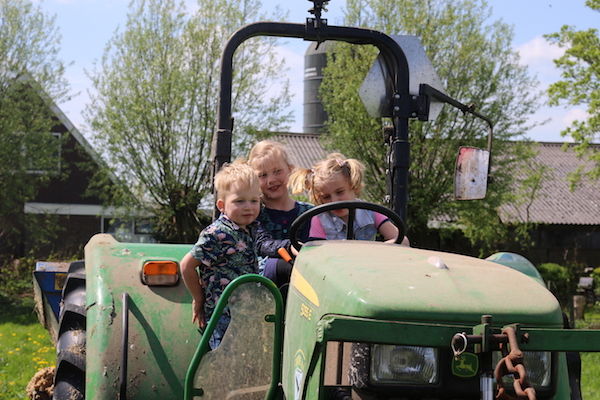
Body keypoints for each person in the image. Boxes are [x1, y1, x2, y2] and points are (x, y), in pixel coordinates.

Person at [180, 160, 286, 349]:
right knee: (225, 360)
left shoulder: (251, 228)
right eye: (239, 201)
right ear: (222, 205)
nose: (248, 207)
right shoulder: (216, 234)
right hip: (222, 316)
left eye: (254, 201)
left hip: (246, 311)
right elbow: (186, 266)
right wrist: (198, 298)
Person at [289, 153, 406, 244]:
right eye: (326, 197)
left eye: (340, 192)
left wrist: (377, 251)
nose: (334, 201)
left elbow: (402, 240)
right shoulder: (319, 219)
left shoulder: (371, 212)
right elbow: (316, 254)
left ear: (353, 186)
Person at [248, 140, 313, 287]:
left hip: (305, 269)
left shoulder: (309, 212)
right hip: (263, 275)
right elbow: (261, 244)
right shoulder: (253, 212)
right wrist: (291, 247)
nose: (271, 180)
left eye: (277, 171)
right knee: (288, 268)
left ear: (290, 169)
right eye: (263, 175)